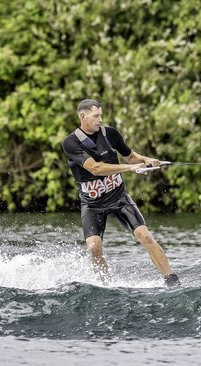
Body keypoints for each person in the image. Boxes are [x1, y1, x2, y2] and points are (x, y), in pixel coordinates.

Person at [61, 99, 180, 287]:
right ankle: (105, 285)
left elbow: (131, 157)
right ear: (82, 116)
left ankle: (172, 281)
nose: (100, 119)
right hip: (92, 204)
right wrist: (130, 168)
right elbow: (95, 168)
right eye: (96, 116)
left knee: (145, 236)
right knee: (93, 247)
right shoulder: (70, 143)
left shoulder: (110, 134)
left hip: (118, 197)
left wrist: (148, 160)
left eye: (101, 115)